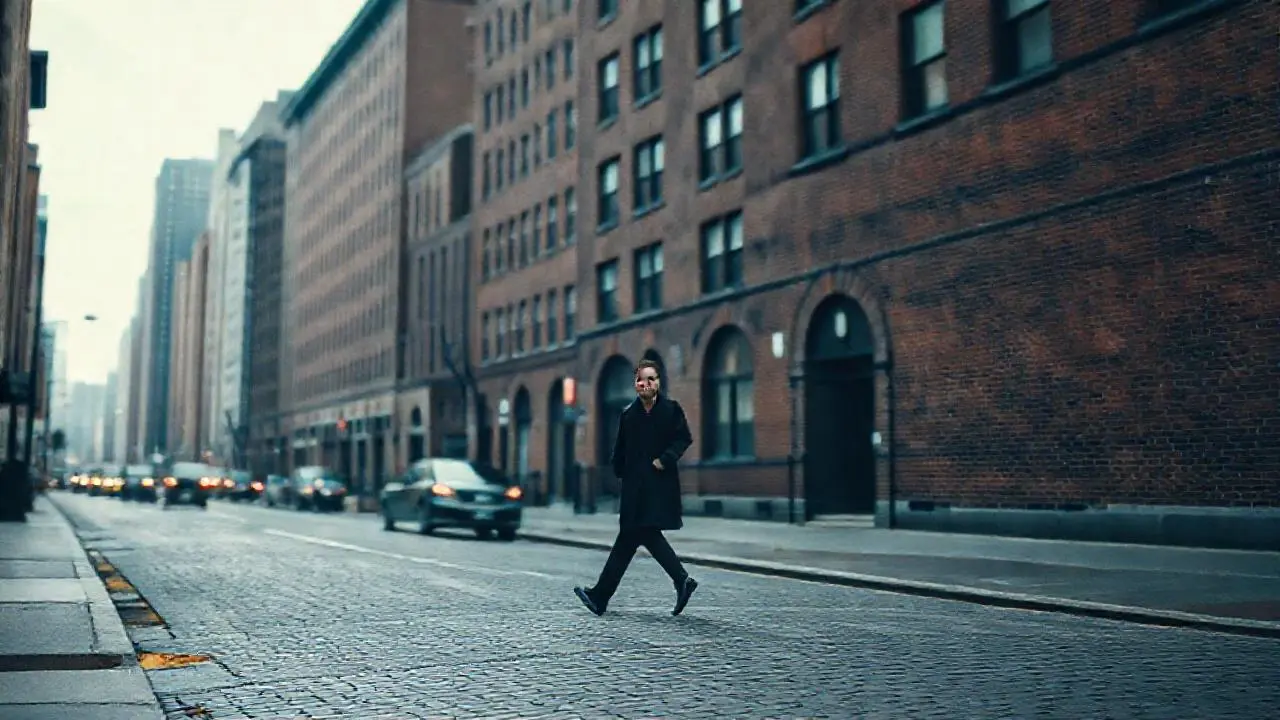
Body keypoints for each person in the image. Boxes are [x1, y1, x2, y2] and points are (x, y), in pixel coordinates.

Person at [574, 359, 698, 616]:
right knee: (636, 536)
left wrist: (664, 459)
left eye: (651, 379)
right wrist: (619, 470)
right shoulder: (628, 414)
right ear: (636, 384)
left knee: (637, 534)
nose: (646, 384)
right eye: (641, 379)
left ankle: (601, 596)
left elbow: (684, 438)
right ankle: (680, 581)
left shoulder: (671, 410)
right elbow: (619, 449)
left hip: (659, 486)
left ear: (658, 382)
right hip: (633, 488)